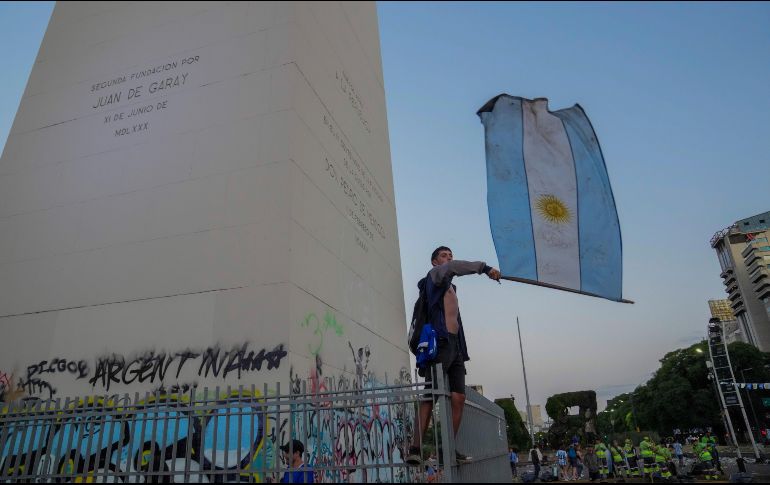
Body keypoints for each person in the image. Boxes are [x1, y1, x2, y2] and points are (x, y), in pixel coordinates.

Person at [405, 246, 501, 466]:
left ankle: (445, 450)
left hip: (455, 346)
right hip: (440, 344)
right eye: (444, 256)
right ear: (435, 262)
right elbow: (455, 268)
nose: (448, 259)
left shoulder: (452, 287)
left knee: (458, 398)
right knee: (431, 395)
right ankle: (415, 448)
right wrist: (484, 268)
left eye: (450, 256)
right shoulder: (435, 277)